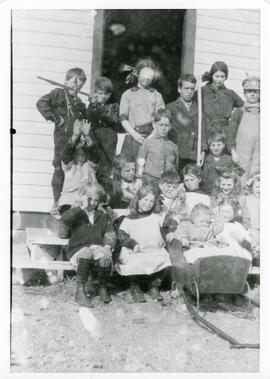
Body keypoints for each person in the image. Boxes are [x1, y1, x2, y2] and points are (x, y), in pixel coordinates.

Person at [36, 67, 87, 216]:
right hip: (61, 139)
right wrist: (56, 119)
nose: (77, 86)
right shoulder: (58, 93)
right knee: (59, 169)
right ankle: (56, 202)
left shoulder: (79, 102)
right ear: (66, 81)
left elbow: (85, 118)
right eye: (74, 82)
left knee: (72, 171)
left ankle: (69, 202)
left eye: (81, 84)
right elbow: (41, 104)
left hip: (75, 141)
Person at [61, 183, 117, 307]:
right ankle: (80, 291)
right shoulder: (75, 213)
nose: (92, 202)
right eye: (89, 198)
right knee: (87, 251)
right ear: (83, 197)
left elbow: (110, 232)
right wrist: (81, 208)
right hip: (78, 249)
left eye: (95, 200)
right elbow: (64, 220)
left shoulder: (102, 215)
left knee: (104, 256)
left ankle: (103, 287)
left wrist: (108, 246)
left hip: (96, 248)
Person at [115, 183, 171, 303]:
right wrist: (132, 244)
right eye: (145, 200)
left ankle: (153, 284)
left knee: (164, 260)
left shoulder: (155, 217)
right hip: (136, 250)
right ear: (138, 199)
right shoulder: (129, 219)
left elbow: (165, 226)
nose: (148, 204)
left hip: (152, 249)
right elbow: (121, 234)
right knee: (134, 262)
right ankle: (135, 286)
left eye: (151, 201)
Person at [119, 58, 165, 161]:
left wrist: (150, 138)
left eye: (150, 75)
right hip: (132, 137)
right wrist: (134, 134)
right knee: (127, 168)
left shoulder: (157, 95)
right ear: (137, 74)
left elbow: (160, 120)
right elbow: (123, 117)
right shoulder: (128, 94)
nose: (147, 78)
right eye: (145, 74)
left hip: (151, 137)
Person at [166, 73, 207, 174]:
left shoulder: (198, 108)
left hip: (193, 154)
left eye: (192, 89)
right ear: (179, 89)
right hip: (177, 154)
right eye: (186, 88)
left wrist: (202, 151)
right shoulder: (171, 108)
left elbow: (202, 130)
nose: (189, 92)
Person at [58, 120, 99, 212]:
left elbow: (94, 155)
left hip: (86, 202)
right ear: (73, 156)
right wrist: (75, 136)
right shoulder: (69, 167)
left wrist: (87, 136)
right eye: (77, 155)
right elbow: (66, 154)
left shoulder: (90, 167)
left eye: (83, 155)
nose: (80, 158)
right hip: (69, 202)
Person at [226, 76, 260, 186]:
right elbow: (230, 134)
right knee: (240, 179)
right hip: (241, 154)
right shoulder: (238, 112)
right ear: (245, 93)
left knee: (256, 179)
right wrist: (233, 151)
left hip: (258, 153)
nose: (252, 94)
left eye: (256, 91)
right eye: (249, 91)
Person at [86, 77, 120, 185]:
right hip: (94, 137)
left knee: (107, 168)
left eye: (107, 94)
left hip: (108, 138)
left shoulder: (114, 106)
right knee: (94, 165)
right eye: (100, 93)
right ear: (95, 93)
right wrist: (92, 105)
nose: (103, 96)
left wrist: (98, 107)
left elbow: (112, 118)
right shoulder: (92, 105)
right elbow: (89, 118)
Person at [136, 109, 178, 186]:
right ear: (154, 124)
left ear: (171, 126)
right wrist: (139, 178)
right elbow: (140, 162)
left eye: (167, 125)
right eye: (161, 125)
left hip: (167, 184)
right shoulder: (148, 143)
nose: (164, 128)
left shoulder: (173, 146)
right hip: (149, 181)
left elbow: (175, 166)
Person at [201, 61, 244, 136]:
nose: (219, 79)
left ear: (226, 77)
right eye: (217, 76)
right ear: (212, 76)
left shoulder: (230, 94)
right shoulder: (203, 91)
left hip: (223, 134)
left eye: (222, 76)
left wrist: (234, 123)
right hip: (205, 132)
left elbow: (243, 107)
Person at [202, 130, 244, 194]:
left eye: (219, 145)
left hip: (225, 190)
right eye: (213, 145)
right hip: (209, 191)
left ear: (224, 145)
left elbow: (239, 172)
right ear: (209, 146)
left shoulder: (229, 159)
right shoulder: (206, 159)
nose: (216, 148)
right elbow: (204, 177)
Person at [243, 173, 260, 261]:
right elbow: (245, 215)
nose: (260, 190)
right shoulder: (247, 199)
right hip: (252, 228)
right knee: (252, 246)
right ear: (251, 187)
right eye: (257, 187)